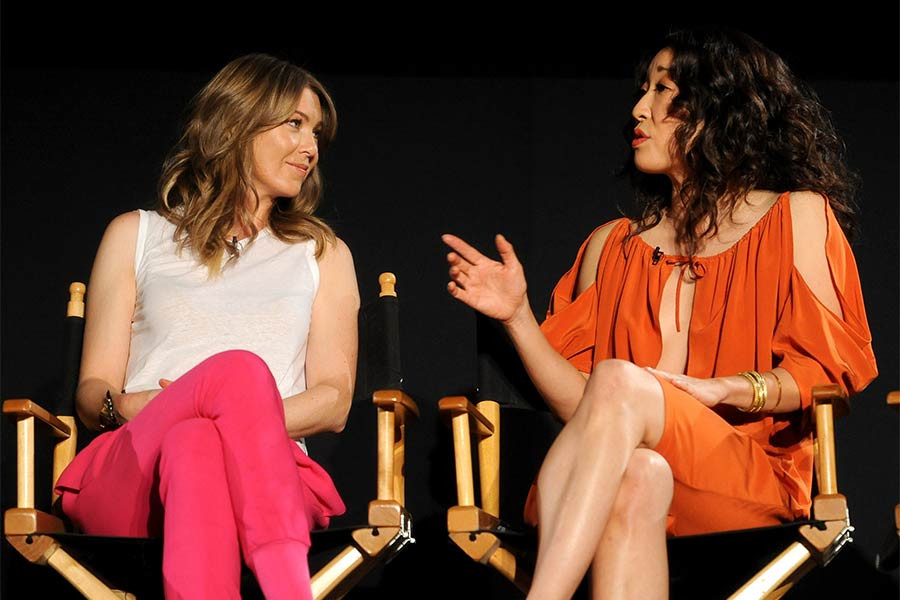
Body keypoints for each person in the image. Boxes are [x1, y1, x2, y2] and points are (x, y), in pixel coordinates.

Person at [442, 27, 878, 599]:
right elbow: (585, 406)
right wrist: (519, 317)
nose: (637, 109)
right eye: (641, 89)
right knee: (638, 472)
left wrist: (726, 389)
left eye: (661, 90)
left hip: (747, 480)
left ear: (718, 110)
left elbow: (829, 369)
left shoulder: (797, 218)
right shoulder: (612, 244)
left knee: (621, 381)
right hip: (607, 480)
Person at [55, 54, 360, 600]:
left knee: (198, 440)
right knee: (236, 376)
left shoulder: (321, 253)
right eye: (294, 123)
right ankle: (289, 586)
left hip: (271, 469)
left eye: (316, 132)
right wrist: (136, 406)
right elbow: (93, 390)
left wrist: (220, 417)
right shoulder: (137, 235)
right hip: (136, 469)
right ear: (236, 121)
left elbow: (335, 401)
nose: (311, 147)